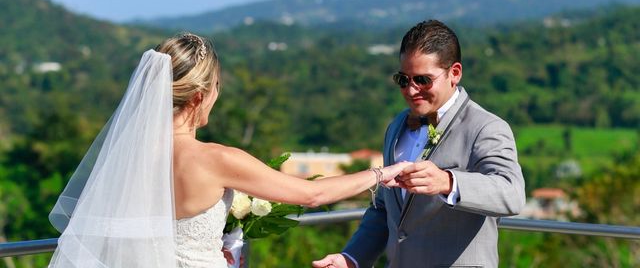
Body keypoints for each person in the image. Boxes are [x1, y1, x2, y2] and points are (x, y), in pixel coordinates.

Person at [47, 33, 409, 268]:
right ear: (201, 96)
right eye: (217, 88)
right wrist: (382, 173)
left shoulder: (126, 162)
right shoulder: (216, 160)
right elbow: (311, 194)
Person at [313, 20, 525, 268]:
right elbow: (385, 209)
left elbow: (512, 194)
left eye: (423, 80)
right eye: (404, 79)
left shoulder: (486, 127)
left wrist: (447, 182)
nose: (412, 91)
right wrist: (351, 258)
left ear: (454, 73)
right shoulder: (396, 127)